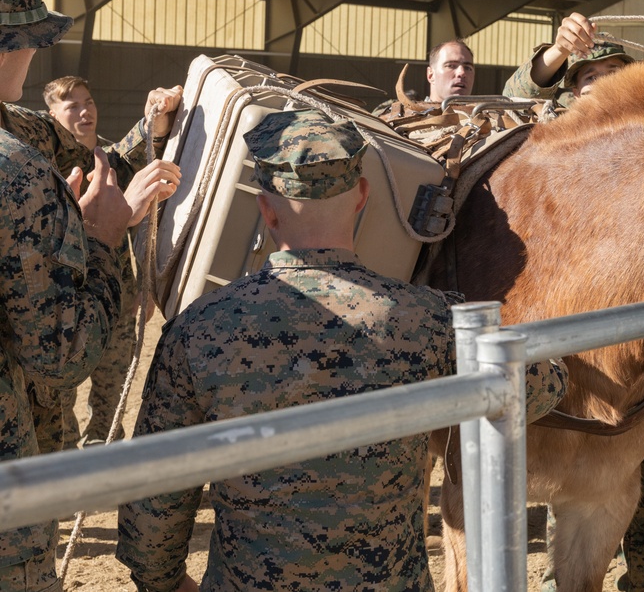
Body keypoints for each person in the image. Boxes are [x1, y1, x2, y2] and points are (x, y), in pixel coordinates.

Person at [116, 108, 567, 591]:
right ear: (362, 198)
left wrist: (163, 582)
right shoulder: (425, 318)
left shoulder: (199, 331)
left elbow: (153, 505)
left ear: (266, 210)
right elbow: (542, 384)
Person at [509, 8, 644, 592]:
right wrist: (555, 53)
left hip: (642, 354)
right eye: (585, 77)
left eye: (613, 73)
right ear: (571, 92)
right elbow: (513, 96)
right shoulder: (549, 149)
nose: (599, 84)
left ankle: (642, 577)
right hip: (562, 349)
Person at [0, 0, 177, 591]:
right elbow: (60, 353)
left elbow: (96, 154)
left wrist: (152, 125)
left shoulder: (23, 138)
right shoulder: (16, 166)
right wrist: (100, 237)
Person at [38, 76, 181, 450]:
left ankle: (102, 470)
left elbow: (147, 137)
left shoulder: (111, 162)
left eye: (89, 102)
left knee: (111, 396)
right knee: (57, 404)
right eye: (73, 106)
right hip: (63, 307)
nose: (86, 112)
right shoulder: (40, 172)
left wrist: (161, 110)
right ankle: (65, 473)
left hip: (115, 305)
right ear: (52, 115)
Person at [504, 8, 644, 107]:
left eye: (613, 73)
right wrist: (560, 49)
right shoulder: (562, 128)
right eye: (590, 77)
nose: (603, 84)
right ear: (576, 93)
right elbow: (514, 97)